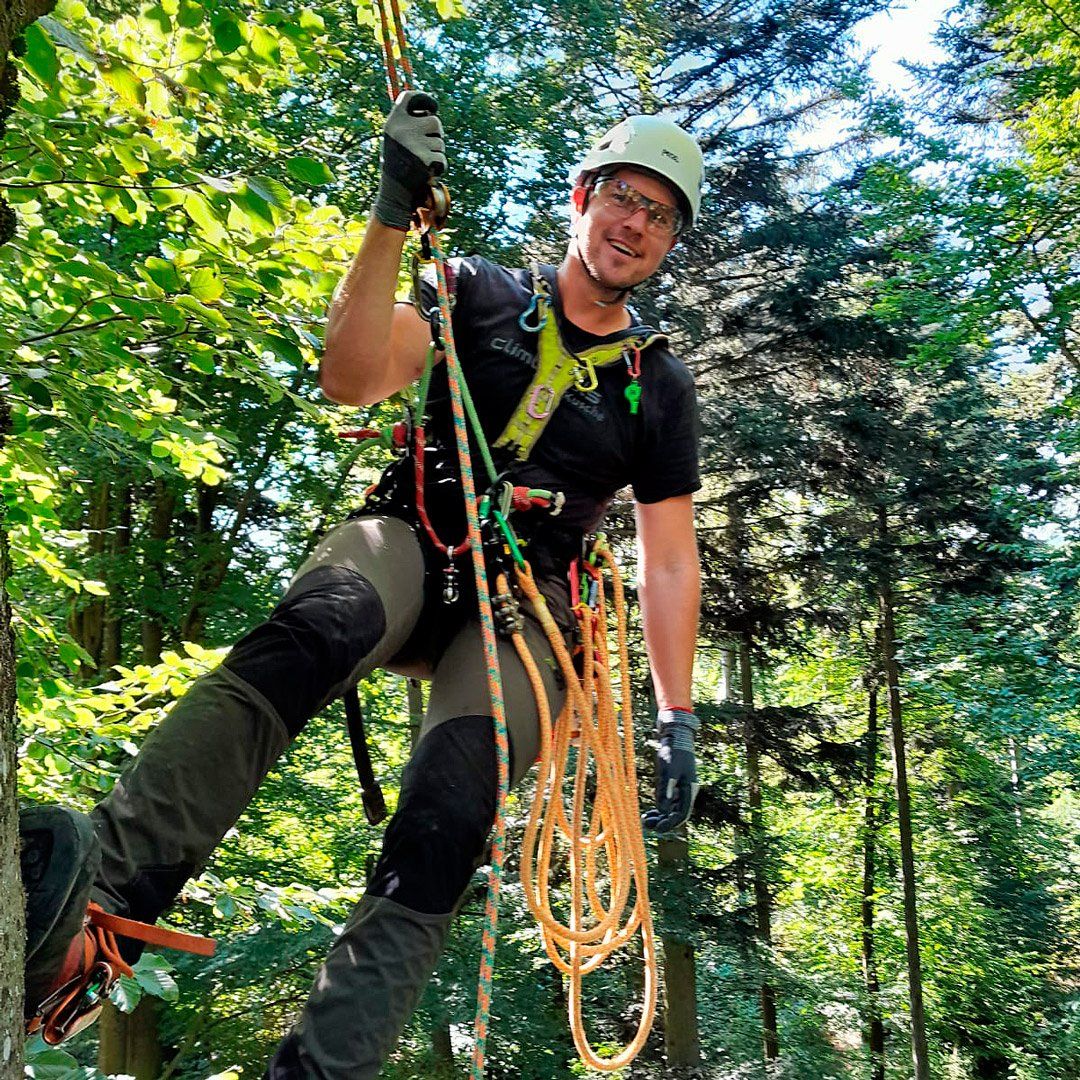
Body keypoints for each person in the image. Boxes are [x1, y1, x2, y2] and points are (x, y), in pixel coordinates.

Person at [20, 92, 704, 1078]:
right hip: (413, 538)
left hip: (527, 605)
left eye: (660, 214)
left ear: (670, 241)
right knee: (314, 632)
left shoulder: (658, 386)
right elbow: (350, 377)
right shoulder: (472, 292)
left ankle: (324, 1067)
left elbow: (669, 557)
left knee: (451, 810)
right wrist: (389, 215)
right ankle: (98, 906)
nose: (635, 224)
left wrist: (677, 716)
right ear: (582, 197)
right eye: (623, 198)